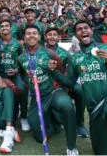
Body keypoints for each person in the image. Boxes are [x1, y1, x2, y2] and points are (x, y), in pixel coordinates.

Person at [17, 25, 79, 155]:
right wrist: (29, 84)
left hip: (53, 91)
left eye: (35, 33)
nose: (31, 36)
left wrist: (54, 71)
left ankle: (71, 147)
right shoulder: (21, 58)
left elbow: (62, 74)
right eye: (28, 33)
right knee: (40, 137)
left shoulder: (50, 54)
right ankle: (55, 124)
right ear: (24, 37)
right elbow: (23, 75)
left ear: (39, 37)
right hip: (37, 97)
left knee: (66, 105)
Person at [67, 20, 107, 154]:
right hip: (93, 108)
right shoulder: (75, 58)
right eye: (79, 29)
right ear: (76, 35)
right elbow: (69, 82)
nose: (83, 31)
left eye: (86, 28)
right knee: (100, 151)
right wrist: (54, 72)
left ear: (92, 30)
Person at [44, 27, 88, 138]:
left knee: (79, 90)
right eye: (49, 34)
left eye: (55, 35)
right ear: (45, 37)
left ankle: (79, 124)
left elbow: (70, 71)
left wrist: (67, 83)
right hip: (45, 84)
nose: (52, 37)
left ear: (59, 37)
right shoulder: (40, 51)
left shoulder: (65, 54)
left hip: (62, 83)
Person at [0, 19, 29, 132]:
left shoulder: (17, 43)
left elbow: (23, 60)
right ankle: (8, 116)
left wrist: (17, 70)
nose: (4, 27)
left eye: (6, 25)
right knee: (3, 94)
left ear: (11, 28)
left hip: (16, 74)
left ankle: (24, 118)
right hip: (2, 75)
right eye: (2, 26)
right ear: (0, 29)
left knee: (21, 90)